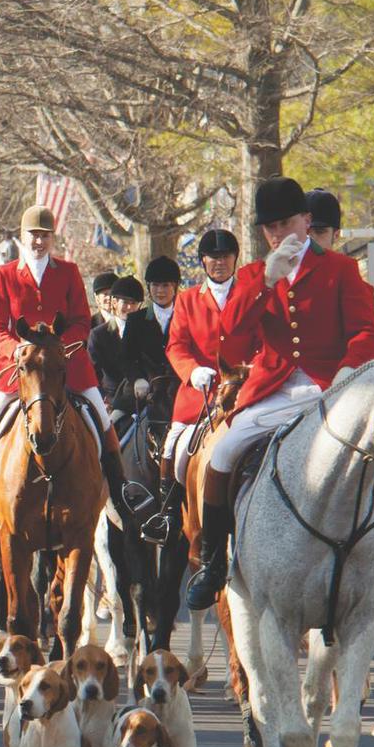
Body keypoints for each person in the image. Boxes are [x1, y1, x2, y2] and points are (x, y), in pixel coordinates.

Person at [186, 177, 374, 610]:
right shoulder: (254, 275)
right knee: (222, 453)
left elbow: (366, 331)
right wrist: (262, 286)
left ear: (306, 221)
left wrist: (350, 370)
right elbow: (232, 345)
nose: (278, 234)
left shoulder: (340, 269)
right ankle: (214, 562)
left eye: (286, 223)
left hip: (331, 386)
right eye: (270, 227)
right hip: (273, 389)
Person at [0, 205, 136, 523]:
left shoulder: (69, 271)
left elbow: (81, 322)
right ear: (22, 237)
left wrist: (60, 350)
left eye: (45, 236)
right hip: (19, 368)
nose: (39, 242)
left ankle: (120, 491)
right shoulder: (5, 274)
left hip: (67, 365)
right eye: (34, 235)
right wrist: (16, 348)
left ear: (52, 239)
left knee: (102, 418)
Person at [144, 228, 240, 543]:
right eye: (213, 257)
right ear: (202, 261)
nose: (219, 263)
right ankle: (169, 512)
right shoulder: (187, 300)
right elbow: (175, 346)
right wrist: (191, 371)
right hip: (199, 393)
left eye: (225, 256)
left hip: (243, 389)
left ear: (234, 259)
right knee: (173, 445)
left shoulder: (250, 294)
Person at [121, 255, 181, 412]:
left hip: (178, 389)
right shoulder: (135, 320)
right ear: (148, 286)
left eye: (165, 285)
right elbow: (126, 358)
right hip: (143, 389)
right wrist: (137, 378)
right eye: (155, 285)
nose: (160, 291)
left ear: (175, 287)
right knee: (115, 422)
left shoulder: (185, 317)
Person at [88, 275, 138, 416]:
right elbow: (93, 370)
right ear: (96, 298)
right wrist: (102, 397)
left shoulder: (140, 326)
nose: (109, 298)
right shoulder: (93, 329)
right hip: (109, 397)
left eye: (112, 293)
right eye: (105, 294)